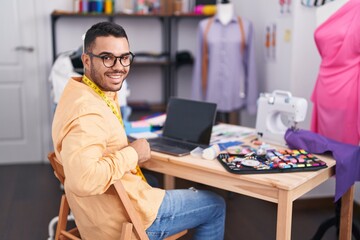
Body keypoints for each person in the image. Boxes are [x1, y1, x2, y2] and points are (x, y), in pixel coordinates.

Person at [52, 21, 226, 240]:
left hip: (97, 213)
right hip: (121, 224)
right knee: (215, 204)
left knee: (151, 181)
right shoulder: (88, 113)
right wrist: (134, 153)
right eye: (107, 58)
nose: (119, 66)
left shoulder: (77, 93)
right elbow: (83, 179)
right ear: (86, 60)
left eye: (124, 57)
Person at [192, 0, 258, 124]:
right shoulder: (204, 26)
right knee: (210, 136)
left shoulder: (246, 26)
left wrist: (252, 103)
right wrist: (197, 100)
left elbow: (251, 65)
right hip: (211, 93)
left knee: (235, 138)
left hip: (236, 95)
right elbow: (199, 67)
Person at [310, 0, 360, 145]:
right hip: (323, 87)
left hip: (348, 87)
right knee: (322, 152)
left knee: (345, 150)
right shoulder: (321, 10)